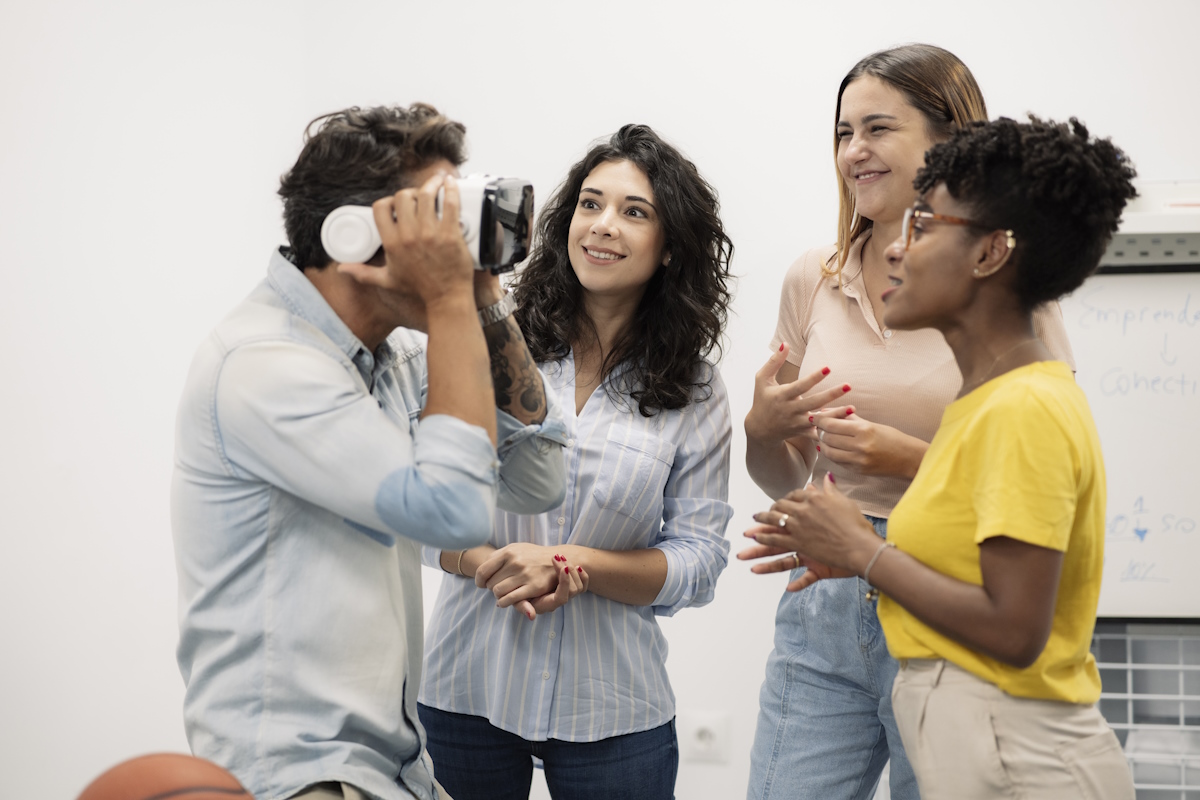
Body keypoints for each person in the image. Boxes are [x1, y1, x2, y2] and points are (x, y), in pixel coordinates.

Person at [171, 104, 571, 800]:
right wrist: (449, 301)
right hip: (304, 775)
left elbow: (538, 479)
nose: (454, 246)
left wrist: (477, 295)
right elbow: (454, 513)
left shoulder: (390, 357)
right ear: (354, 239)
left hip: (393, 768)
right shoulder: (265, 367)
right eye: (435, 225)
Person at [743, 115, 1138, 800]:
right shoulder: (983, 403)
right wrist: (848, 556)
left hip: (1021, 760)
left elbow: (1015, 630)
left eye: (923, 227)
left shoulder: (1025, 407)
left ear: (990, 254)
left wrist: (865, 553)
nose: (896, 250)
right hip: (981, 746)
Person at [417, 124, 735, 800]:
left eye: (634, 212)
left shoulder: (697, 389)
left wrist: (575, 569)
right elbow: (416, 510)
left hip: (615, 707)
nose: (603, 226)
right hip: (465, 687)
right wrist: (489, 564)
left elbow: (699, 559)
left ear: (671, 248)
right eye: (590, 204)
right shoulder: (489, 342)